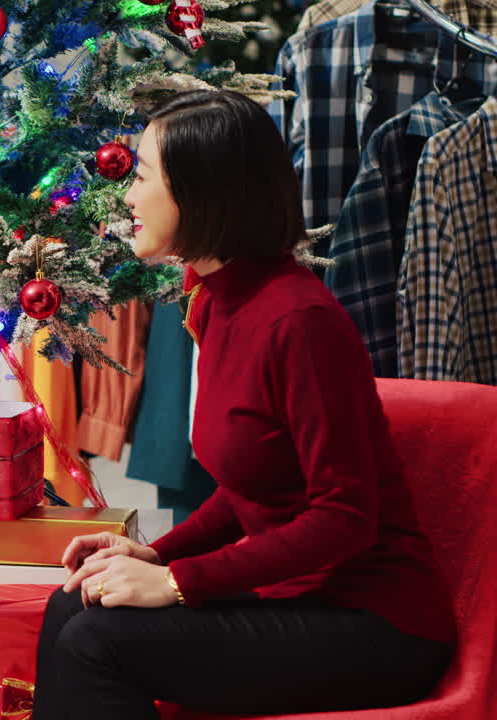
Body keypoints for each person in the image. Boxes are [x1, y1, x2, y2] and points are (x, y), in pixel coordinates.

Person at [33, 90, 454, 719]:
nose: (126, 196)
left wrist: (179, 582)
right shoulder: (213, 297)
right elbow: (255, 481)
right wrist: (158, 554)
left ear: (202, 191)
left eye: (142, 176)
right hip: (297, 596)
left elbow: (344, 516)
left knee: (98, 642)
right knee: (77, 600)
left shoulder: (298, 320)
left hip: (374, 624)